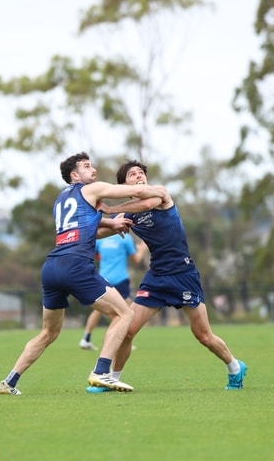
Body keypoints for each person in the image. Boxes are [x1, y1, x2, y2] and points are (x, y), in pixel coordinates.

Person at [0, 152, 168, 395]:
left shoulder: (61, 199)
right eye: (87, 167)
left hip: (52, 267)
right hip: (76, 265)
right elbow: (138, 193)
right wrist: (159, 191)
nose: (94, 170)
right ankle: (101, 372)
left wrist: (111, 224)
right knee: (124, 315)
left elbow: (89, 231)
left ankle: (9, 381)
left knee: (48, 332)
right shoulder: (93, 189)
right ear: (74, 175)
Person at [96, 160, 247, 391]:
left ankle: (235, 367)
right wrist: (86, 227)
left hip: (183, 273)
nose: (138, 177)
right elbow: (103, 230)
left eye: (140, 173)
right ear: (124, 184)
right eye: (132, 175)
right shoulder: (128, 213)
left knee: (204, 336)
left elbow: (147, 203)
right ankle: (112, 379)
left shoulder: (160, 194)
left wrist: (110, 209)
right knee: (127, 331)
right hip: (156, 277)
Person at [79, 234, 146, 350]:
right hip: (120, 278)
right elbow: (136, 260)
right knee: (127, 311)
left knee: (98, 310)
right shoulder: (125, 238)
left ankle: (86, 338)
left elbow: (92, 255)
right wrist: (142, 250)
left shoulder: (101, 238)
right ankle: (123, 340)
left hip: (103, 278)